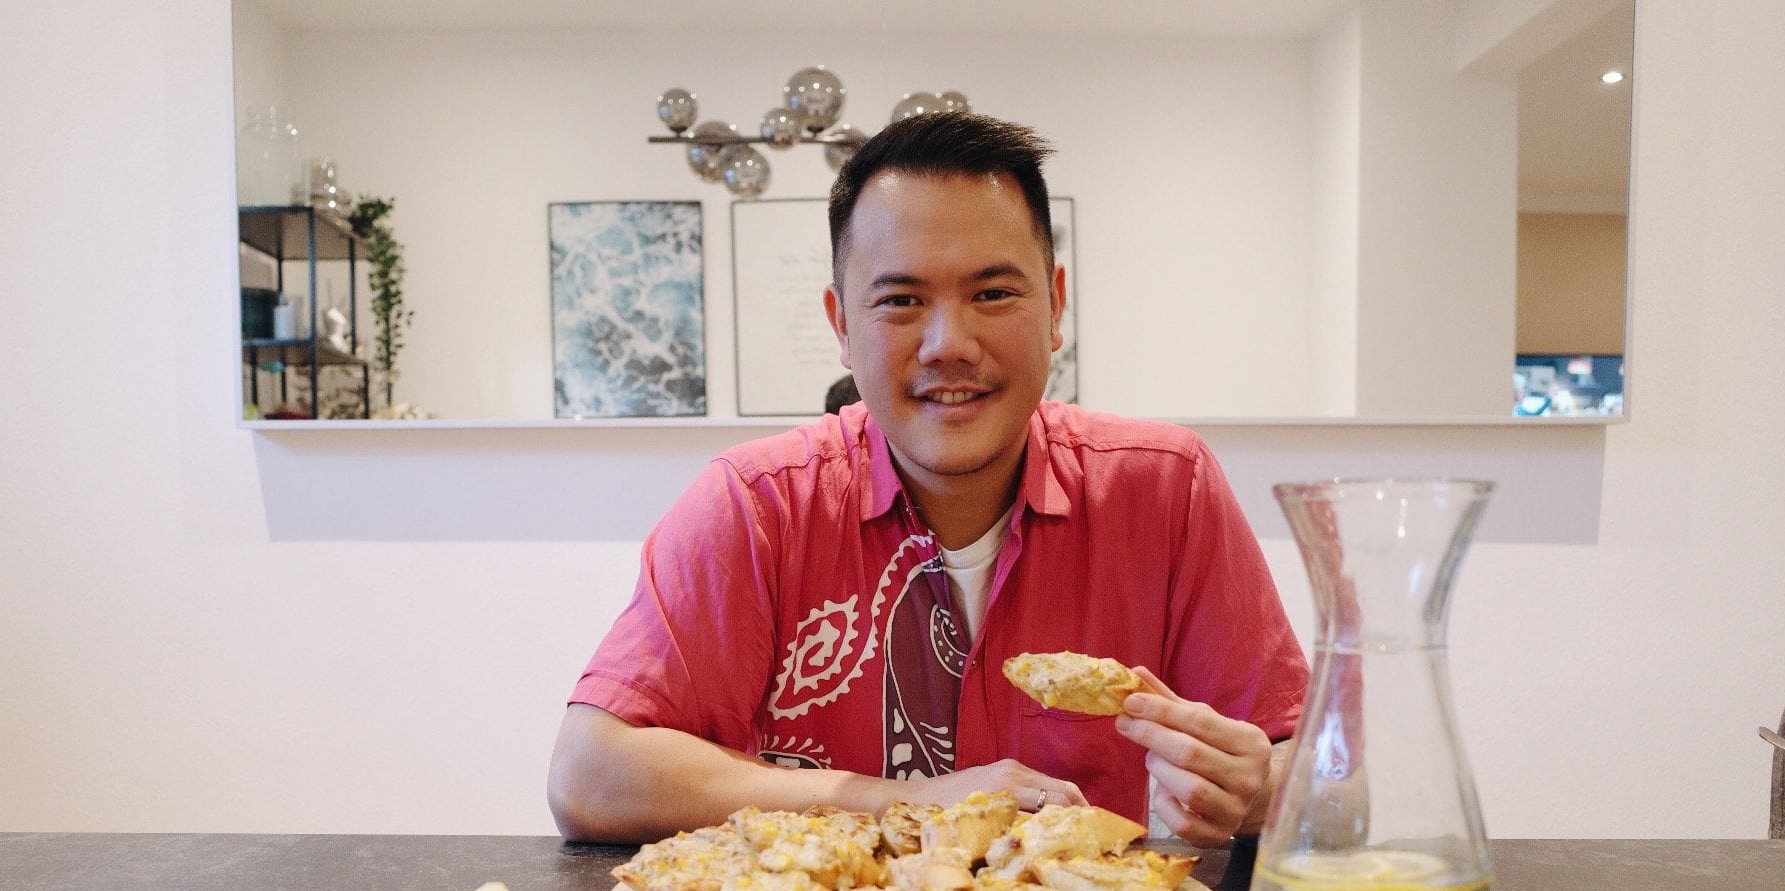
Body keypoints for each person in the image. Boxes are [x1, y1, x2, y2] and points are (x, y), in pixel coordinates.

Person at [548, 113, 1308, 848]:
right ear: (842, 325)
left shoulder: (1164, 490)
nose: (950, 344)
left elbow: (1322, 771)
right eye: (902, 301)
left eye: (993, 293)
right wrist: (900, 802)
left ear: (1055, 307)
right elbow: (589, 776)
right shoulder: (758, 506)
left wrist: (1256, 790)